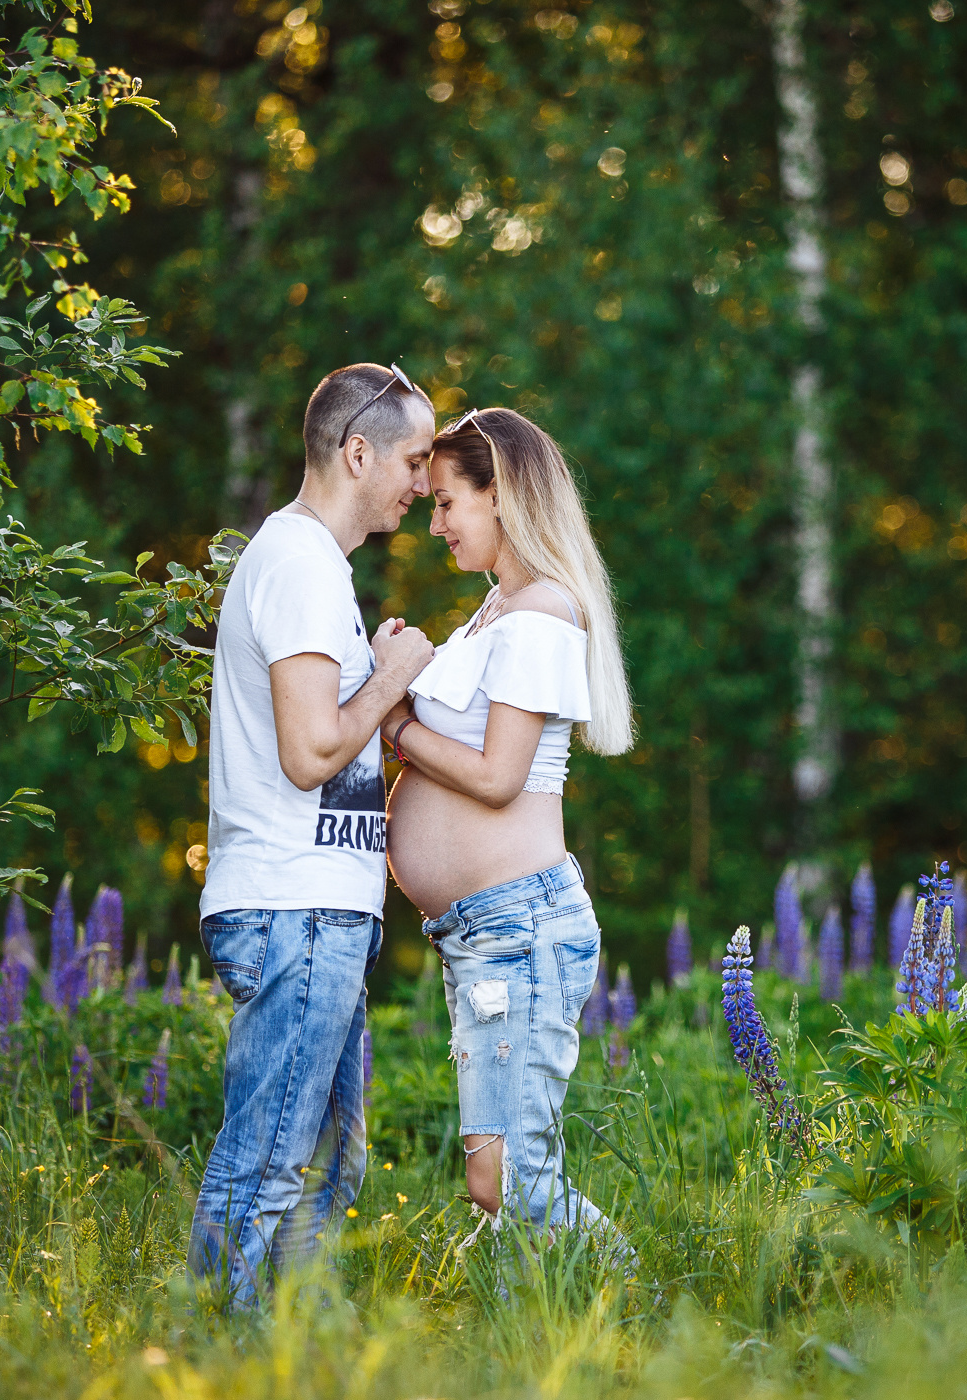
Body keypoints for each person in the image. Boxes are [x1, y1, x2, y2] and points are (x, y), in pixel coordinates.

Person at [190, 363, 436, 1308]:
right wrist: (392, 675)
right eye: (414, 461)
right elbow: (309, 753)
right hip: (293, 907)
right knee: (267, 1167)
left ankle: (290, 1349)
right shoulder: (297, 564)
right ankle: (216, 1345)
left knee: (328, 1169)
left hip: (321, 910)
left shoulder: (315, 569)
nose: (423, 484)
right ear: (357, 452)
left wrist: (370, 673)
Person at [382, 406, 633, 1243]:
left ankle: (639, 1289)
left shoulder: (540, 615)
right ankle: (545, 1311)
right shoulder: (498, 611)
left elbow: (497, 778)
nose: (437, 525)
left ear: (502, 495)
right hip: (485, 930)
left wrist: (397, 725)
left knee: (507, 1177)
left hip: (518, 929)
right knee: (501, 1178)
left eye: (447, 502)